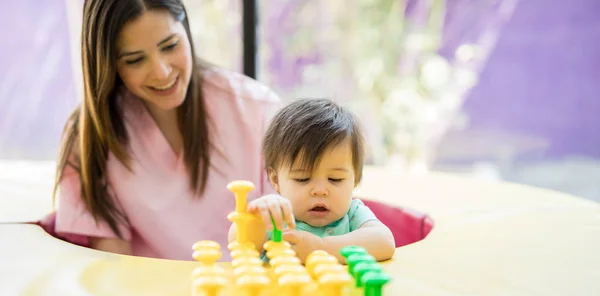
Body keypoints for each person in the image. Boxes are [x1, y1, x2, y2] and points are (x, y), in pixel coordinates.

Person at [51, 0, 280, 261]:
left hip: (249, 289)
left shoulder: (256, 108)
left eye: (170, 45)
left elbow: (293, 233)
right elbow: (112, 270)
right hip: (147, 295)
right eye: (135, 60)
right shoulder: (92, 137)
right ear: (108, 64)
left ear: (186, 29)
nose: (161, 72)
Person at [228, 98, 396, 263]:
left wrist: (321, 247)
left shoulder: (352, 213)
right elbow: (239, 244)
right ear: (275, 179)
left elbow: (385, 242)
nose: (320, 190)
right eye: (303, 179)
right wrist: (256, 221)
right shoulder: (275, 216)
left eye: (335, 179)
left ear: (355, 180)